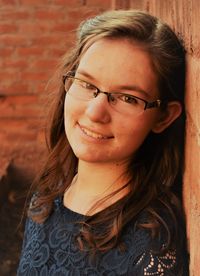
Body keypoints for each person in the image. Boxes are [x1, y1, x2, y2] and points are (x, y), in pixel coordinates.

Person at [17, 9, 189, 275]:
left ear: (164, 117)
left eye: (128, 98)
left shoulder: (150, 241)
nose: (95, 112)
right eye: (86, 84)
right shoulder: (47, 197)